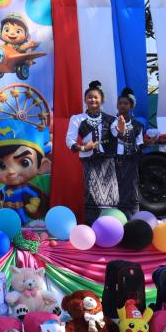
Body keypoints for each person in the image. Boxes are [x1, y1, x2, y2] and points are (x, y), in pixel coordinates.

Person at [66, 80, 118, 224]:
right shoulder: (78, 119)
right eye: (89, 97)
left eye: (96, 97)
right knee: (92, 192)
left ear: (102, 100)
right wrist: (83, 148)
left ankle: (110, 225)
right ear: (85, 100)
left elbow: (117, 134)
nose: (93, 100)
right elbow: (69, 140)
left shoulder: (111, 119)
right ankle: (92, 226)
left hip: (107, 160)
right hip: (89, 160)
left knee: (110, 193)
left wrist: (121, 129)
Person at [0, 119, 50, 224]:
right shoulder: (1, 191)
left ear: (42, 165)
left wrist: (34, 204)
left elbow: (34, 197)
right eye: (1, 166)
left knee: (23, 221)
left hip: (21, 212)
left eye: (24, 162)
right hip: (6, 217)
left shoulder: (25, 188)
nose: (11, 171)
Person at [112, 87, 146, 218]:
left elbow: (139, 144)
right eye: (120, 103)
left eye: (125, 103)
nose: (122, 105)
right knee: (114, 188)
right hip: (113, 161)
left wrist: (148, 143)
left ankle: (132, 217)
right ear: (117, 105)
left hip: (131, 162)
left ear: (131, 106)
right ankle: (115, 217)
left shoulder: (138, 125)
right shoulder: (110, 122)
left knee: (131, 189)